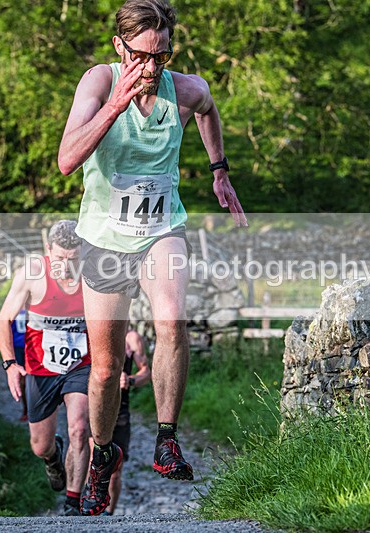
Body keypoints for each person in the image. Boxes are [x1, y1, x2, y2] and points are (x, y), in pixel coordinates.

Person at [57, 0, 247, 516]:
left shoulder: (184, 88)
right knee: (104, 368)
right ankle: (102, 457)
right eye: (143, 56)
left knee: (172, 321)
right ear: (120, 46)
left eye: (162, 56)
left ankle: (167, 439)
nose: (152, 67)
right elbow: (67, 160)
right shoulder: (98, 82)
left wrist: (219, 171)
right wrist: (115, 104)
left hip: (161, 228)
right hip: (103, 237)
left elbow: (208, 108)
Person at [0, 220, 91, 516]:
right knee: (40, 446)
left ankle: (73, 502)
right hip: (41, 367)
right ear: (48, 250)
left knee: (79, 428)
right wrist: (11, 364)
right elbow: (3, 321)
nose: (66, 264)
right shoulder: (31, 274)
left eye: (73, 258)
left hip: (81, 364)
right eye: (60, 257)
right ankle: (53, 457)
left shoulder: (94, 274)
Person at [103, 326, 151, 516]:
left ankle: (108, 515)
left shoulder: (132, 338)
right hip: (94, 407)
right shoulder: (91, 328)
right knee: (94, 463)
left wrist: (130, 380)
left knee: (114, 471)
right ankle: (88, 510)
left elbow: (146, 372)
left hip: (120, 410)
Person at [11, 308, 28, 422]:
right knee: (22, 380)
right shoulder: (13, 309)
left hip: (31, 347)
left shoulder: (32, 307)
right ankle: (26, 409)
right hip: (18, 348)